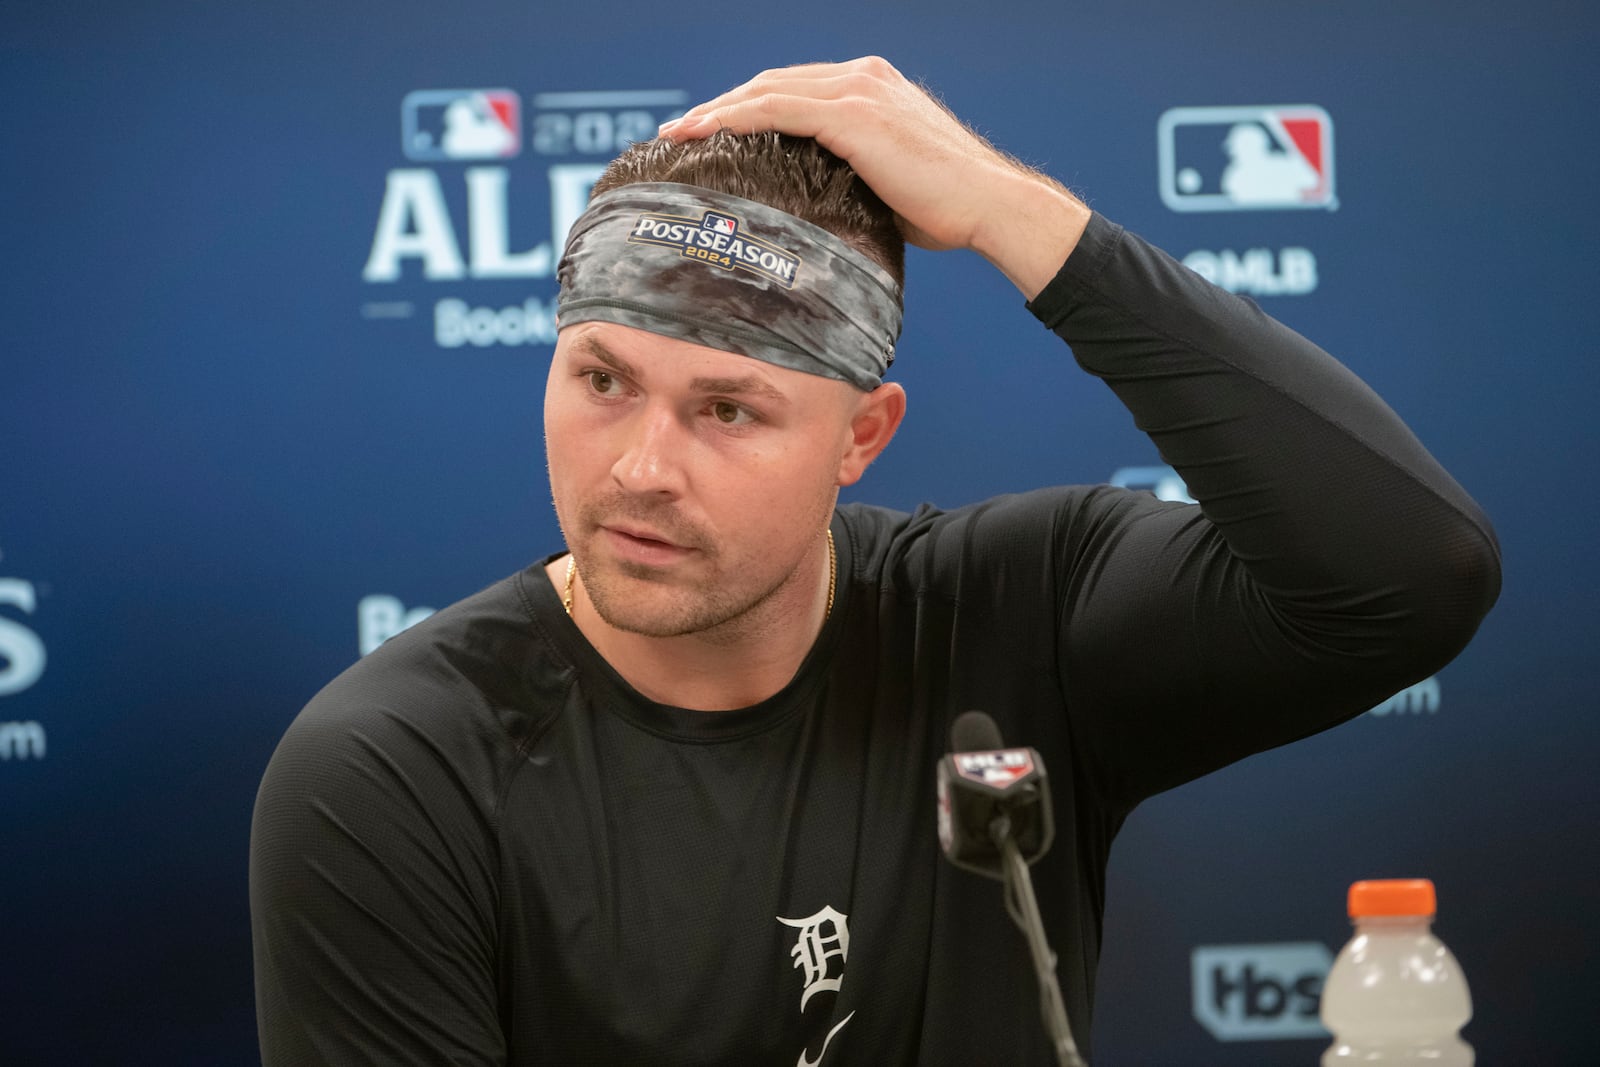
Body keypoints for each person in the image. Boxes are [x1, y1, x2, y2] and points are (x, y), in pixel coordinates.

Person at [250, 58, 1500, 1064]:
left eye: (727, 409)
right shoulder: (395, 769)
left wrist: (1015, 213)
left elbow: (1412, 568)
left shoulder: (1017, 614)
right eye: (601, 380)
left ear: (862, 435)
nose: (639, 466)